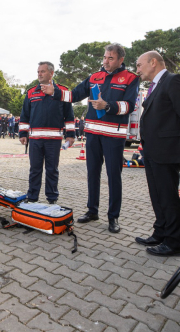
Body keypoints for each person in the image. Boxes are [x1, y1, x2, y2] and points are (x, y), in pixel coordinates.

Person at [43, 43, 138, 233]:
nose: (106, 61)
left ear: (120, 60)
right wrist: (56, 92)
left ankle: (113, 217)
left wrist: (108, 106)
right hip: (93, 134)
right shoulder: (95, 76)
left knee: (113, 177)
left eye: (110, 58)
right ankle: (92, 210)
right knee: (92, 174)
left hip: (114, 136)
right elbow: (75, 94)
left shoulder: (131, 78)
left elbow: (129, 105)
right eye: (104, 57)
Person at [134, 51, 180, 257]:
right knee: (158, 195)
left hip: (167, 150)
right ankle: (160, 232)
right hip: (152, 150)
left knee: (168, 197)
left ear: (153, 63)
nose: (138, 70)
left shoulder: (174, 81)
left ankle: (173, 243)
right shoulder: (155, 86)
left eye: (139, 65)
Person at [19, 62, 75, 204]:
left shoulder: (62, 92)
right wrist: (22, 134)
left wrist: (70, 135)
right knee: (35, 170)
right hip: (35, 140)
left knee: (52, 170)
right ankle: (32, 198)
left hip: (54, 140)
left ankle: (52, 199)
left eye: (42, 71)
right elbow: (25, 115)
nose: (39, 74)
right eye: (38, 71)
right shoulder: (31, 92)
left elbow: (69, 116)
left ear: (51, 73)